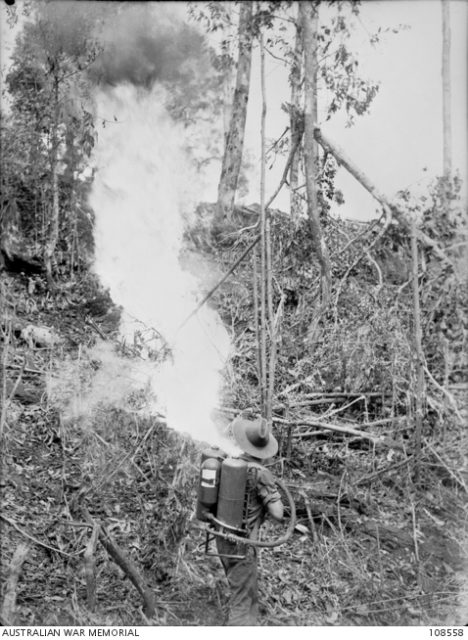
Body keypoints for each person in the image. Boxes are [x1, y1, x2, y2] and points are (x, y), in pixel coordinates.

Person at [216, 416, 284, 626]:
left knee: (245, 589)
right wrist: (274, 493)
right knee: (241, 601)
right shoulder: (261, 474)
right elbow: (278, 513)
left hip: (221, 537)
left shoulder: (228, 462)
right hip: (243, 545)